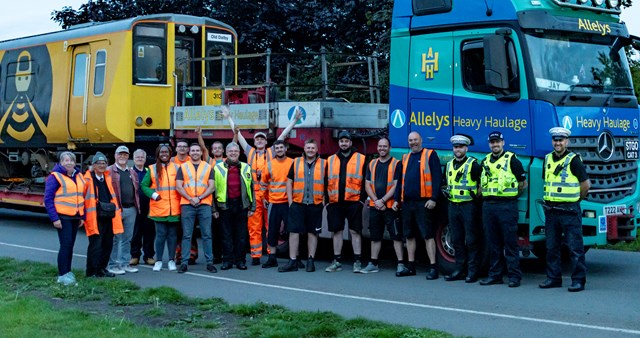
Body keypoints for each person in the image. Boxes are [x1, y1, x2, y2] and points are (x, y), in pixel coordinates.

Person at [224, 105, 302, 265]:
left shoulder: (272, 151)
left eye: (262, 139)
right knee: (254, 226)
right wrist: (228, 118)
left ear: (266, 142)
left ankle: (270, 254)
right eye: (257, 139)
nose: (259, 141)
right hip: (253, 195)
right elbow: (238, 136)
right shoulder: (250, 151)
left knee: (270, 225)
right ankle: (256, 255)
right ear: (254, 141)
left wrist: (294, 121)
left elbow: (283, 135)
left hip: (269, 195)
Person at [539, 127, 590, 292]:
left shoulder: (573, 160)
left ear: (566, 141)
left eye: (561, 140)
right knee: (551, 247)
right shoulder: (547, 159)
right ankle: (553, 278)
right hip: (552, 210)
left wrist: (576, 200)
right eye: (555, 140)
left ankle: (578, 280)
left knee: (575, 247)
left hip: (569, 210)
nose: (558, 143)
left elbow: (585, 185)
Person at [479, 131, 526, 288]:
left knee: (510, 243)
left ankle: (514, 276)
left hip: (507, 206)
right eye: (492, 142)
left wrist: (511, 197)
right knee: (493, 243)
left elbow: (522, 184)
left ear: (503, 143)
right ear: (489, 144)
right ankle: (495, 275)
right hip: (489, 206)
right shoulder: (485, 161)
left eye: (497, 142)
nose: (495, 145)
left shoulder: (512, 160)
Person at [392, 131, 442, 280]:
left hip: (424, 203)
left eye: (415, 140)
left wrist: (434, 198)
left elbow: (437, 177)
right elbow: (400, 181)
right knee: (409, 235)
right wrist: (396, 200)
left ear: (421, 140)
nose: (413, 142)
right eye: (410, 140)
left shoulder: (430, 154)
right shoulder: (405, 158)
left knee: (428, 235)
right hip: (407, 203)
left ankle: (433, 267)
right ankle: (411, 266)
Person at [279, 138, 327, 273]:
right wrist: (290, 201)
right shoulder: (296, 162)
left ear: (317, 150)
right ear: (304, 149)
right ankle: (292, 261)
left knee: (313, 233)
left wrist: (323, 201)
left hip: (315, 204)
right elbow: (289, 182)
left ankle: (310, 260)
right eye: (308, 148)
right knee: (293, 232)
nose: (310, 150)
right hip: (298, 203)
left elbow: (329, 183)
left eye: (313, 148)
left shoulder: (324, 164)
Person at [361, 137, 407, 275]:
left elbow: (396, 185)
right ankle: (373, 263)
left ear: (390, 148)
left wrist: (383, 200)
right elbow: (367, 185)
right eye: (380, 146)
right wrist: (376, 200)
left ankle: (400, 264)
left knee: (396, 236)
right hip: (375, 206)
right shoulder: (372, 163)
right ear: (377, 148)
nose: (382, 148)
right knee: (375, 236)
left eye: (385, 146)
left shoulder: (396, 164)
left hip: (390, 207)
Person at [325, 130, 367, 273]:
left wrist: (361, 200)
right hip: (335, 202)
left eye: (346, 141)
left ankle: (357, 261)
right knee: (337, 231)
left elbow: (366, 181)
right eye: (341, 141)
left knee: (355, 231)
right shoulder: (330, 160)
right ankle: (336, 261)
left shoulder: (361, 159)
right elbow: (325, 181)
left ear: (350, 142)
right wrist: (327, 200)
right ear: (339, 143)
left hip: (354, 202)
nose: (344, 143)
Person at [443, 135, 482, 283]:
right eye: (455, 147)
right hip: (453, 206)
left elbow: (482, 185)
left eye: (460, 147)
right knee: (457, 240)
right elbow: (445, 184)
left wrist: (475, 197)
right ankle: (459, 269)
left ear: (466, 148)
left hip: (469, 207)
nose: (458, 149)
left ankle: (472, 271)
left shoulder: (473, 164)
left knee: (472, 240)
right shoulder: (449, 165)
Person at [44, 151, 85, 286]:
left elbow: (81, 197)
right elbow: (48, 199)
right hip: (63, 217)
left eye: (71, 160)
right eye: (65, 160)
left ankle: (68, 272)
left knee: (70, 246)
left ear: (75, 162)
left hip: (75, 217)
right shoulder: (55, 177)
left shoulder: (78, 176)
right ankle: (62, 275)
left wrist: (82, 216)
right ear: (61, 163)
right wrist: (54, 218)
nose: (69, 163)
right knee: (65, 245)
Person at [213, 142, 256, 270]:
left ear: (239, 153)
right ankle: (227, 261)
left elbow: (252, 188)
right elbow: (212, 189)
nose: (233, 153)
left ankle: (240, 260)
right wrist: (214, 209)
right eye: (230, 151)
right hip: (224, 206)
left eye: (235, 151)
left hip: (241, 205)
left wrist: (252, 207)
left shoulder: (246, 167)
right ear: (226, 153)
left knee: (241, 235)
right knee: (226, 235)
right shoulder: (217, 168)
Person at [176, 143, 216, 273]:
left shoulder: (208, 167)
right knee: (187, 235)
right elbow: (178, 186)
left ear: (201, 152)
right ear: (189, 152)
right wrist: (190, 198)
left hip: (204, 204)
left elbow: (212, 187)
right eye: (192, 150)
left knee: (207, 234)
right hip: (187, 204)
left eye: (197, 150)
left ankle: (209, 262)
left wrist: (199, 198)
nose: (195, 152)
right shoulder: (183, 167)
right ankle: (184, 262)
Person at [141, 144, 181, 272]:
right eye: (161, 152)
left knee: (172, 235)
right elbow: (144, 185)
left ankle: (171, 260)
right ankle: (158, 260)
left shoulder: (177, 167)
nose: (164, 154)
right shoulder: (152, 169)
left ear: (170, 153)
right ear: (158, 154)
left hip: (174, 207)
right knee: (160, 235)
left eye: (166, 152)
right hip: (159, 207)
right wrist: (153, 195)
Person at [84, 152, 124, 278]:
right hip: (95, 218)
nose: (102, 165)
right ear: (93, 165)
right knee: (96, 245)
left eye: (104, 163)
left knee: (107, 244)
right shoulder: (87, 179)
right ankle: (91, 271)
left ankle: (102, 269)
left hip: (108, 216)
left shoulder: (107, 178)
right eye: (99, 163)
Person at [107, 146, 140, 275]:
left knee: (127, 238)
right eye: (120, 154)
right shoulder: (109, 171)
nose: (122, 156)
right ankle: (113, 265)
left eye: (125, 154)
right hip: (117, 210)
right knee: (116, 238)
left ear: (128, 156)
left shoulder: (132, 172)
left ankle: (125, 263)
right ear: (115, 155)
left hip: (131, 209)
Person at [260, 140, 294, 268]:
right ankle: (272, 258)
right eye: (277, 148)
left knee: (292, 231)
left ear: (285, 149)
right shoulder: (269, 164)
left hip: (288, 202)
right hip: (274, 202)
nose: (279, 149)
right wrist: (264, 197)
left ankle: (294, 258)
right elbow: (263, 182)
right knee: (272, 231)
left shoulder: (292, 163)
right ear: (274, 150)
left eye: (281, 147)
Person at [197, 129, 226, 264]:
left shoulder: (227, 161)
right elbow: (203, 148)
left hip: (226, 198)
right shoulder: (210, 162)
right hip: (213, 198)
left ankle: (227, 255)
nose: (217, 150)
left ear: (223, 150)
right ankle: (216, 255)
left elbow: (234, 144)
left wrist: (236, 134)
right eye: (215, 148)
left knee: (225, 229)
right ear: (212, 151)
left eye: (220, 148)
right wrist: (199, 135)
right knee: (214, 229)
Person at [172, 138, 199, 265]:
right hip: (174, 201)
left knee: (190, 231)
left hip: (189, 202)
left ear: (188, 149)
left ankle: (192, 255)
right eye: (180, 146)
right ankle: (179, 255)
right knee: (178, 231)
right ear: (176, 148)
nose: (182, 148)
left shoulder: (192, 161)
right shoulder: (171, 161)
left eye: (184, 146)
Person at [130, 149, 156, 266]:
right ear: (134, 158)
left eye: (142, 157)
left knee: (149, 232)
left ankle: (149, 255)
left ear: (145, 159)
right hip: (136, 207)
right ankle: (135, 255)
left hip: (149, 207)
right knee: (136, 232)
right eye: (138, 157)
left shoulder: (149, 172)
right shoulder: (130, 172)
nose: (140, 159)